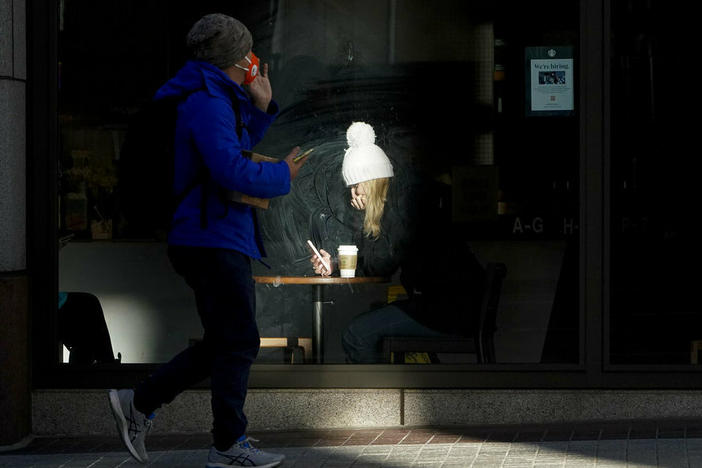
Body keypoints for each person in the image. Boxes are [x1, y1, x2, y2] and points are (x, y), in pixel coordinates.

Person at [107, 13, 307, 468]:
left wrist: (258, 107)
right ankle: (225, 444)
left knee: (225, 341)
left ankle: (140, 404)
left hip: (213, 233)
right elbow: (230, 170)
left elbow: (227, 153)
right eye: (252, 54)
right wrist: (283, 174)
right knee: (237, 341)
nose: (258, 60)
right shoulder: (206, 101)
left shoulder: (213, 96)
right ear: (243, 59)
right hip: (211, 237)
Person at [310, 122, 486, 363]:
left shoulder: (402, 209)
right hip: (450, 305)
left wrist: (365, 220)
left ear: (370, 180)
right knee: (372, 320)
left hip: (450, 310)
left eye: (355, 186)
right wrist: (337, 264)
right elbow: (378, 262)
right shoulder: (401, 201)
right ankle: (388, 393)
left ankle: (378, 400)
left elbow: (381, 265)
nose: (353, 194)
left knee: (356, 335)